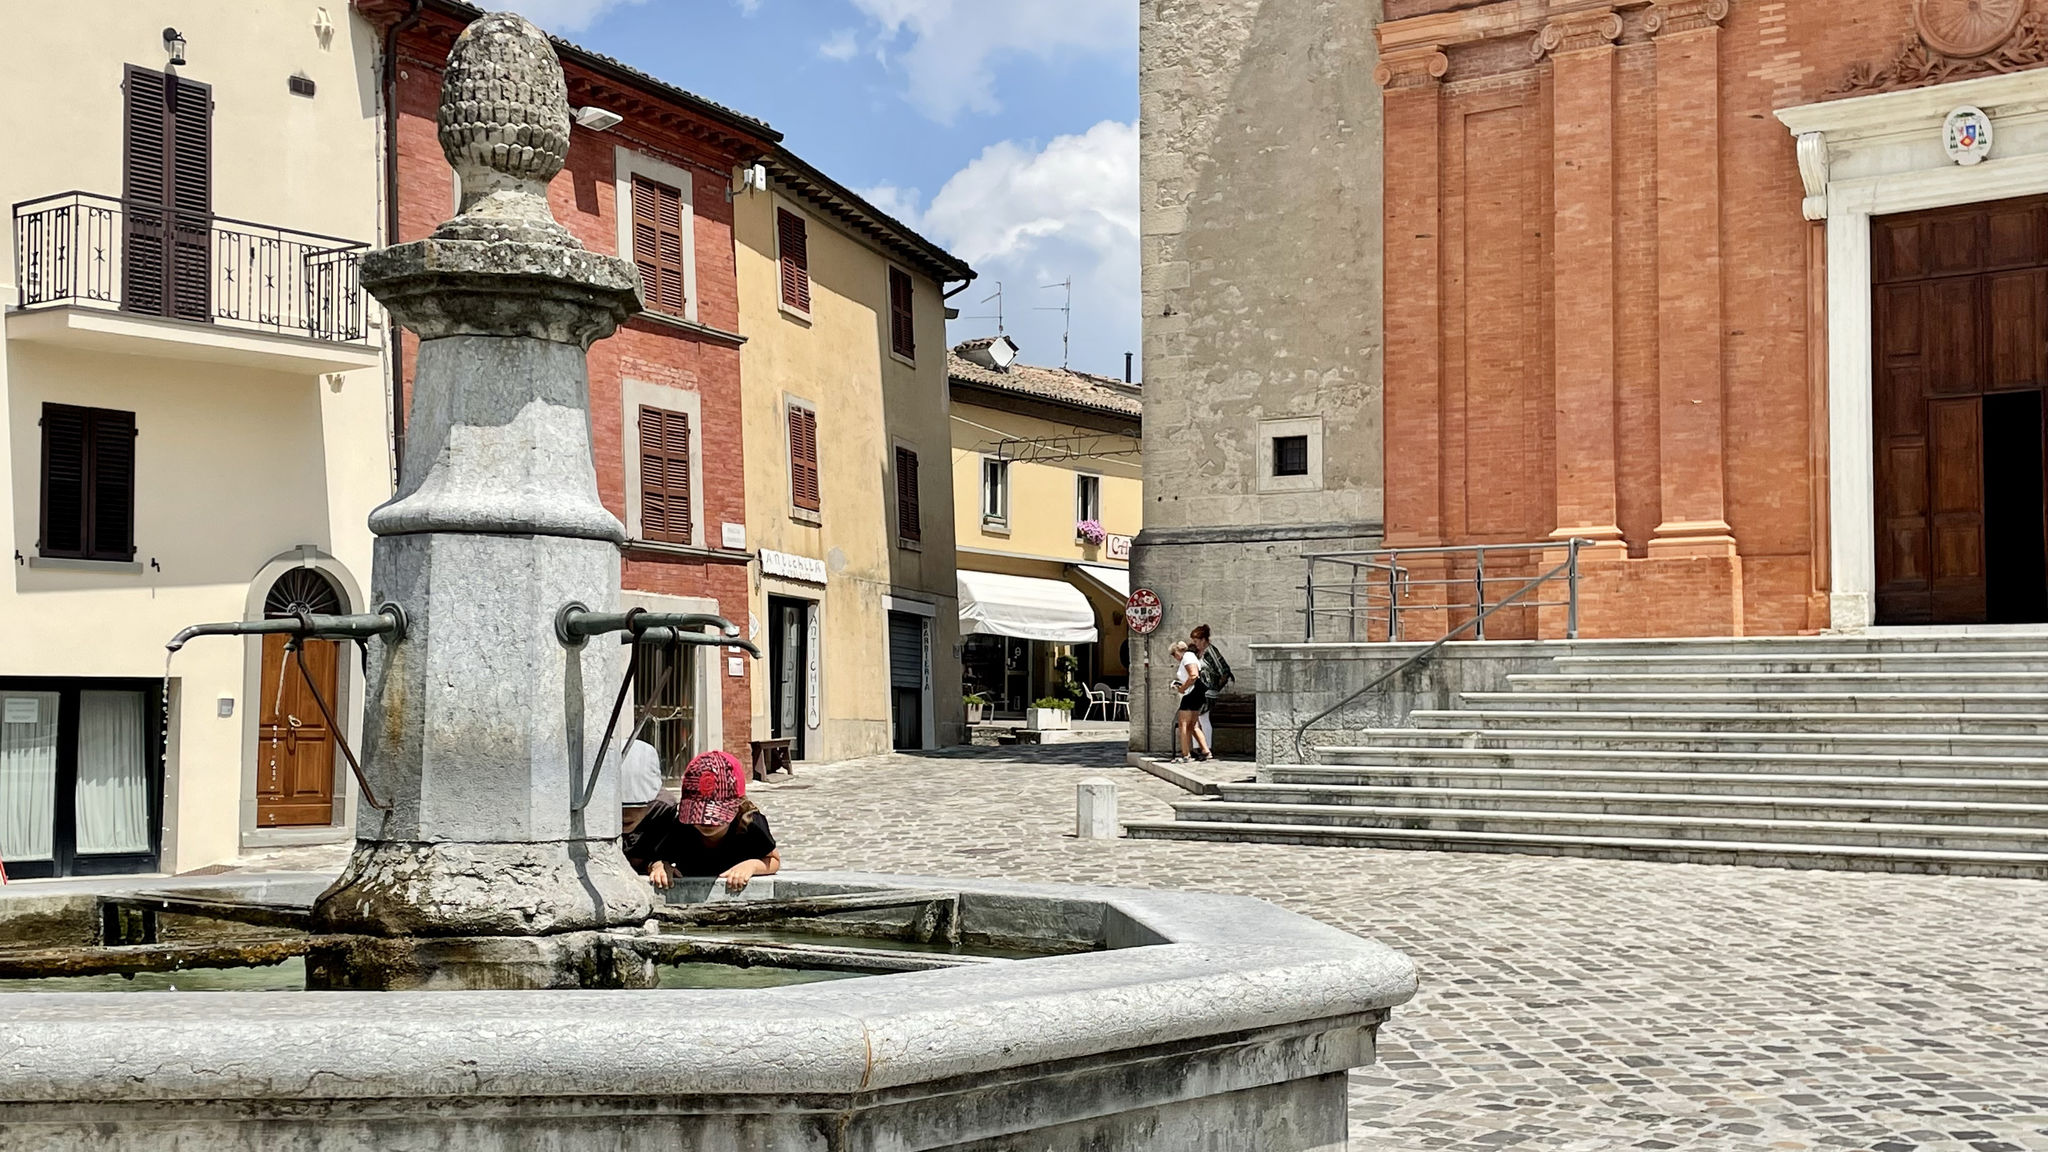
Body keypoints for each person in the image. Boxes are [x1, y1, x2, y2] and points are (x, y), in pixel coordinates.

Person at [621, 748, 782, 892]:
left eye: (716, 816)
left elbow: (773, 860)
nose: (707, 822)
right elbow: (658, 857)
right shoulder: (681, 827)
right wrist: (659, 866)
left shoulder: (750, 823)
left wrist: (752, 865)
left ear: (738, 805)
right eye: (699, 814)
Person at [1190, 624, 1233, 755]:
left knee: (1199, 718)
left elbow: (1224, 670)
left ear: (1203, 640)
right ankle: (1201, 746)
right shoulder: (1200, 653)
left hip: (1208, 691)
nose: (1195, 644)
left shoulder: (1211, 651)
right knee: (1199, 719)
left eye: (1197, 641)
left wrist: (1216, 687)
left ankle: (1204, 747)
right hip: (1200, 690)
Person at [1169, 640, 1212, 764]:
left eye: (1174, 655)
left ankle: (1185, 754)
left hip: (1191, 693)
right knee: (1193, 725)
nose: (1175, 658)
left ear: (1177, 652)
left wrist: (1182, 688)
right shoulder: (1191, 656)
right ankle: (1205, 751)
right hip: (1198, 692)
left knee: (1183, 724)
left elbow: (1193, 675)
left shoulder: (1187, 657)